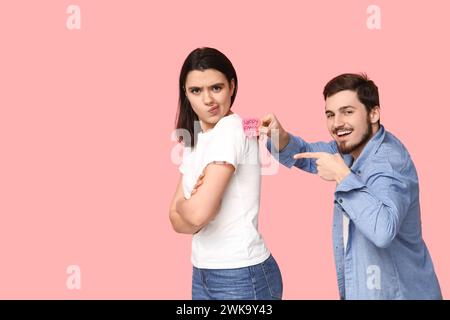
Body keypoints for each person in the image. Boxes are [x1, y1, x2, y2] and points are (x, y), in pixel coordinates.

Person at [260, 73, 441, 299]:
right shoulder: (352, 150)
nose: (337, 124)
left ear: (373, 113)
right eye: (330, 114)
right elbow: (307, 154)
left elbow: (383, 230)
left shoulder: (388, 164)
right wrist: (280, 136)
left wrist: (343, 177)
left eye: (348, 112)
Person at [169, 47, 282, 300]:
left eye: (216, 88)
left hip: (241, 273)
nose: (208, 99)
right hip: (202, 270)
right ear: (185, 94)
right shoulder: (196, 140)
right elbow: (175, 221)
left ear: (232, 86)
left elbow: (197, 214)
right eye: (196, 91)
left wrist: (186, 205)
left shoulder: (231, 130)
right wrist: (191, 207)